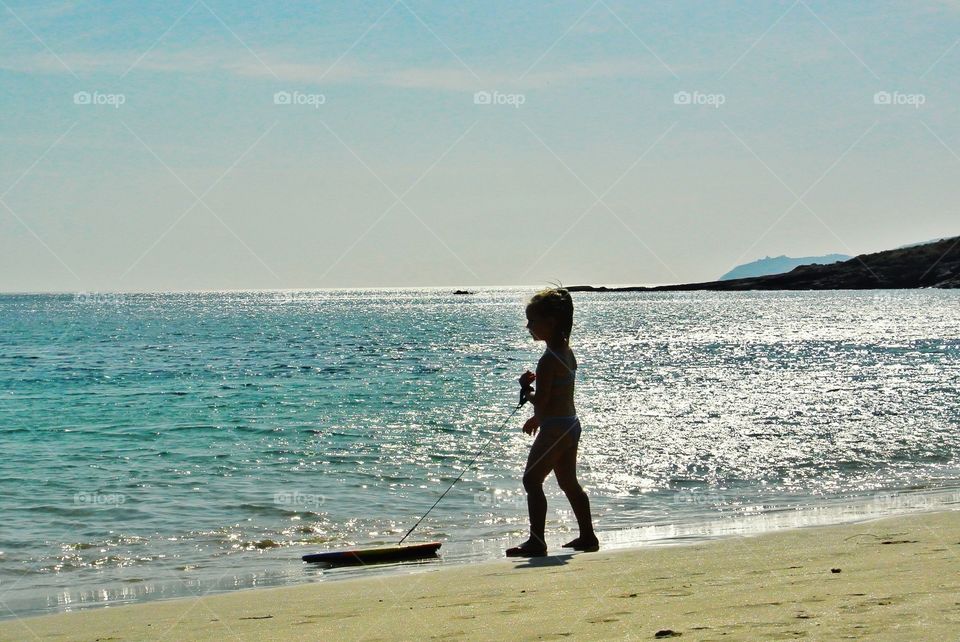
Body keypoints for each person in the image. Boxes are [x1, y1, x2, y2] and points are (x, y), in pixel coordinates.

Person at [506, 287, 599, 557]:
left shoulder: (548, 360)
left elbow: (544, 401)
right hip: (570, 424)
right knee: (569, 482)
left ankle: (537, 541)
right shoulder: (567, 353)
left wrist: (526, 389)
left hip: (556, 427)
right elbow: (559, 396)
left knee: (531, 480)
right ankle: (587, 536)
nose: (528, 326)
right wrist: (538, 416)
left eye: (532, 321)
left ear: (551, 322)